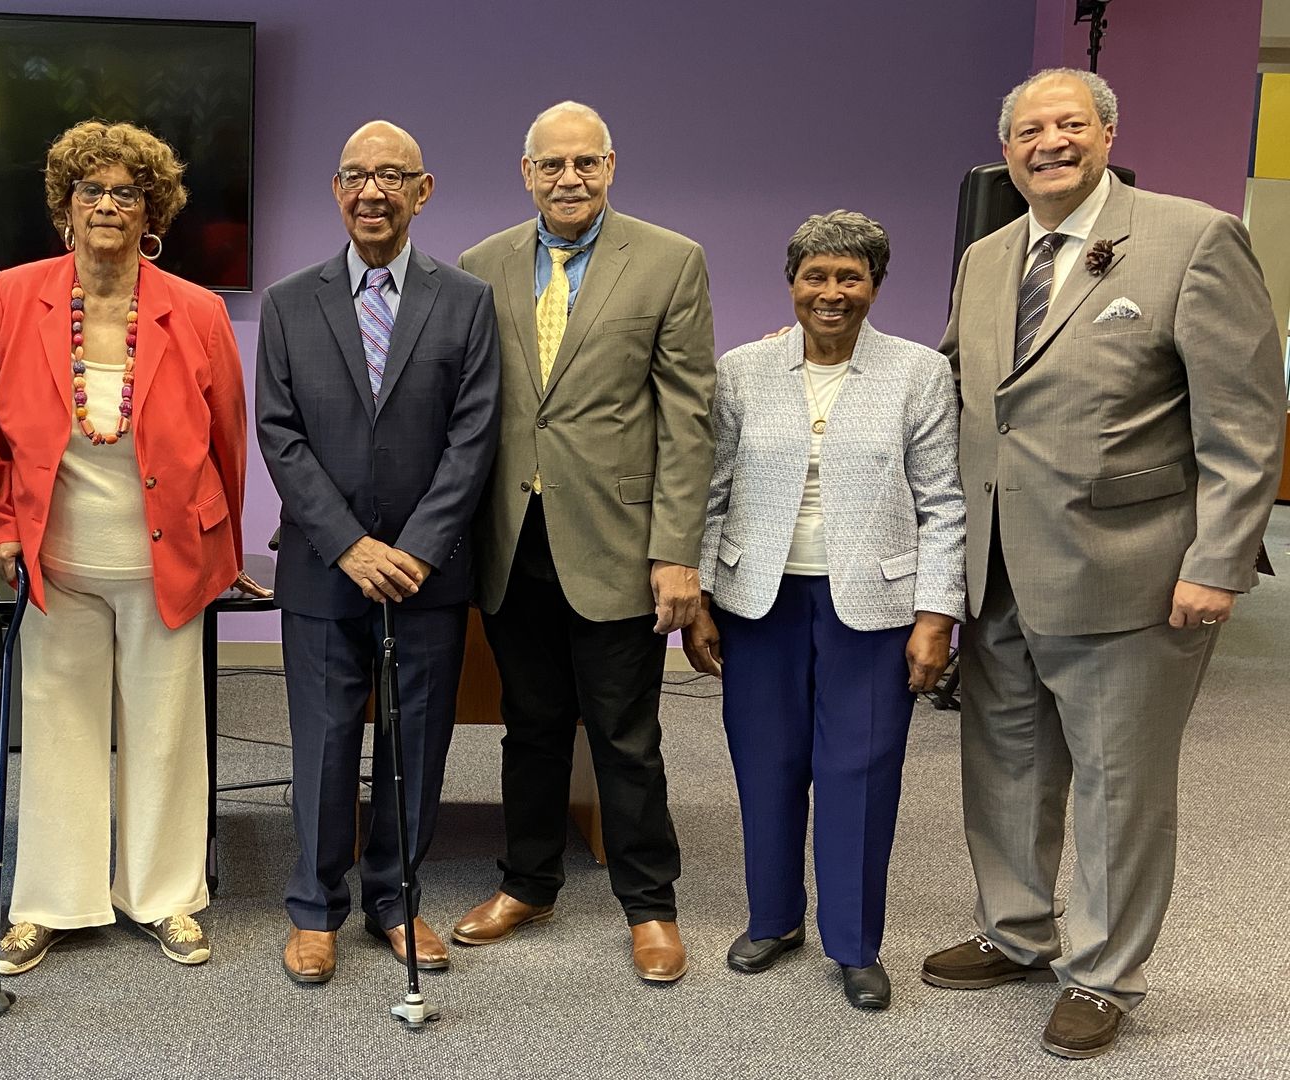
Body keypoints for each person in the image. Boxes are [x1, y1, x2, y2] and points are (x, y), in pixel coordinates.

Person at [925, 68, 1285, 1059]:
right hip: (1000, 569)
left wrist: (1218, 560)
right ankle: (1016, 930)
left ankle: (1105, 974)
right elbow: (954, 388)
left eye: (1069, 125)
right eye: (1030, 130)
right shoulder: (990, 257)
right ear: (1007, 151)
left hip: (1132, 574)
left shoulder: (1193, 238)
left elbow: (1245, 427)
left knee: (1121, 786)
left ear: (1107, 133)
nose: (1049, 143)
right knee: (1004, 765)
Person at [453, 101, 716, 983]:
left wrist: (677, 550)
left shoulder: (670, 260)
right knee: (528, 726)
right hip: (512, 539)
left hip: (619, 541)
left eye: (586, 163)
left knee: (624, 734)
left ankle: (651, 905)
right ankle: (528, 883)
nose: (570, 179)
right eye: (552, 165)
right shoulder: (480, 264)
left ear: (612, 166)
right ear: (525, 172)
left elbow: (688, 418)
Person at [0, 120, 246, 974]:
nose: (105, 205)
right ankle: (53, 901)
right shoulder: (16, 296)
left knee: (166, 731)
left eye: (125, 192)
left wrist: (223, 550)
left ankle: (165, 897)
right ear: (63, 205)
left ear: (151, 208)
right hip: (56, 559)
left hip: (164, 558)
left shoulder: (196, 310)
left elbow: (230, 441)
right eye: (89, 190)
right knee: (58, 729)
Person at [681, 211, 965, 1010]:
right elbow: (711, 490)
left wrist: (937, 613)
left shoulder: (916, 373)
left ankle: (853, 941)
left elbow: (943, 501)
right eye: (816, 276)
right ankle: (773, 919)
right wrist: (699, 594)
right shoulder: (743, 369)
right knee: (766, 763)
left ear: (875, 286)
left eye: (850, 277)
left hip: (872, 606)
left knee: (859, 771)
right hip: (756, 600)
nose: (832, 293)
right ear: (792, 282)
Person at [257, 121, 501, 984]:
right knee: (323, 744)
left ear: (422, 191)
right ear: (335, 190)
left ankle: (395, 901)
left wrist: (419, 548)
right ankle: (316, 910)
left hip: (427, 575)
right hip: (327, 570)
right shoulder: (289, 301)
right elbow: (279, 434)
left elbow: (474, 438)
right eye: (357, 175)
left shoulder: (466, 300)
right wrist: (351, 545)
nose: (373, 191)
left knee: (417, 743)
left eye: (392, 176)